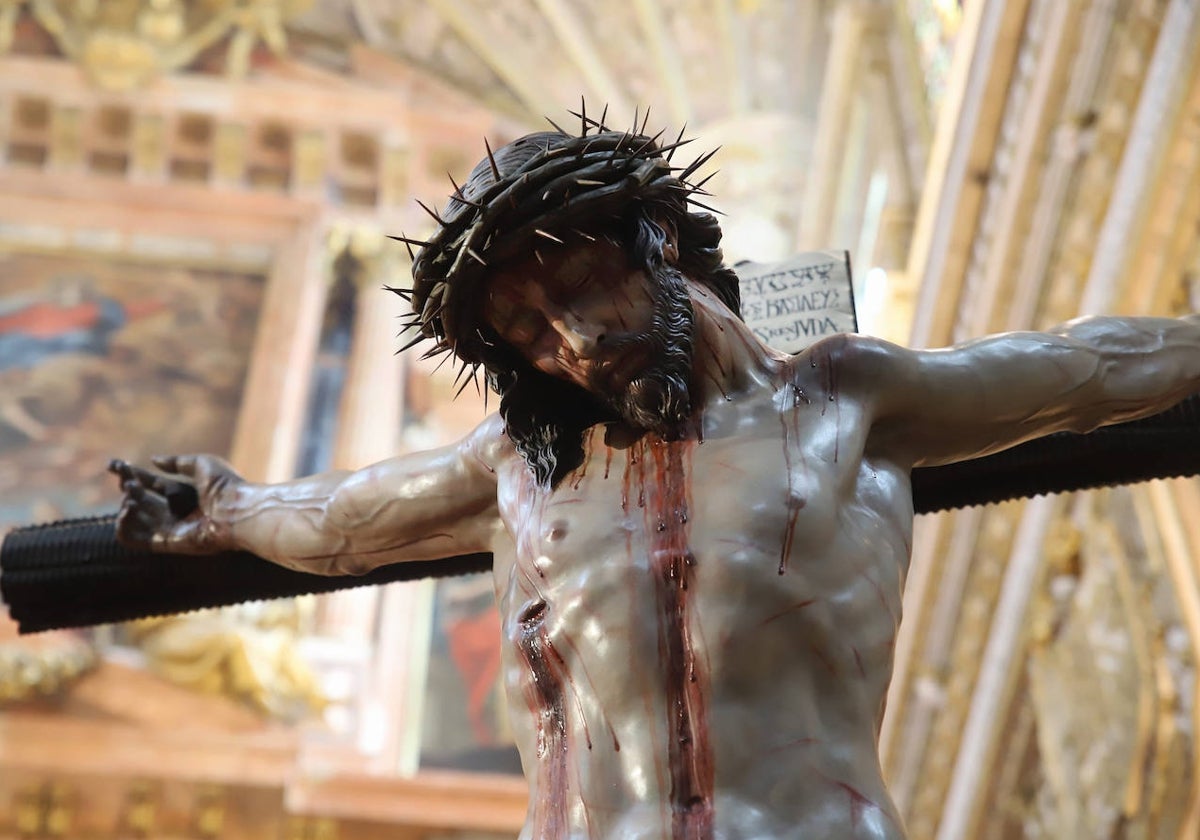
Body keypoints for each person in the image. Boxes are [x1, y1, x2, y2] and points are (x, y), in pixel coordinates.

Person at [110, 125, 1200, 840]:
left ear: (660, 242)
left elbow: (1088, 370)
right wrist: (226, 511)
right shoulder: (517, 475)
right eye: (532, 335)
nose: (576, 344)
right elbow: (341, 523)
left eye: (586, 289)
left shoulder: (844, 400)